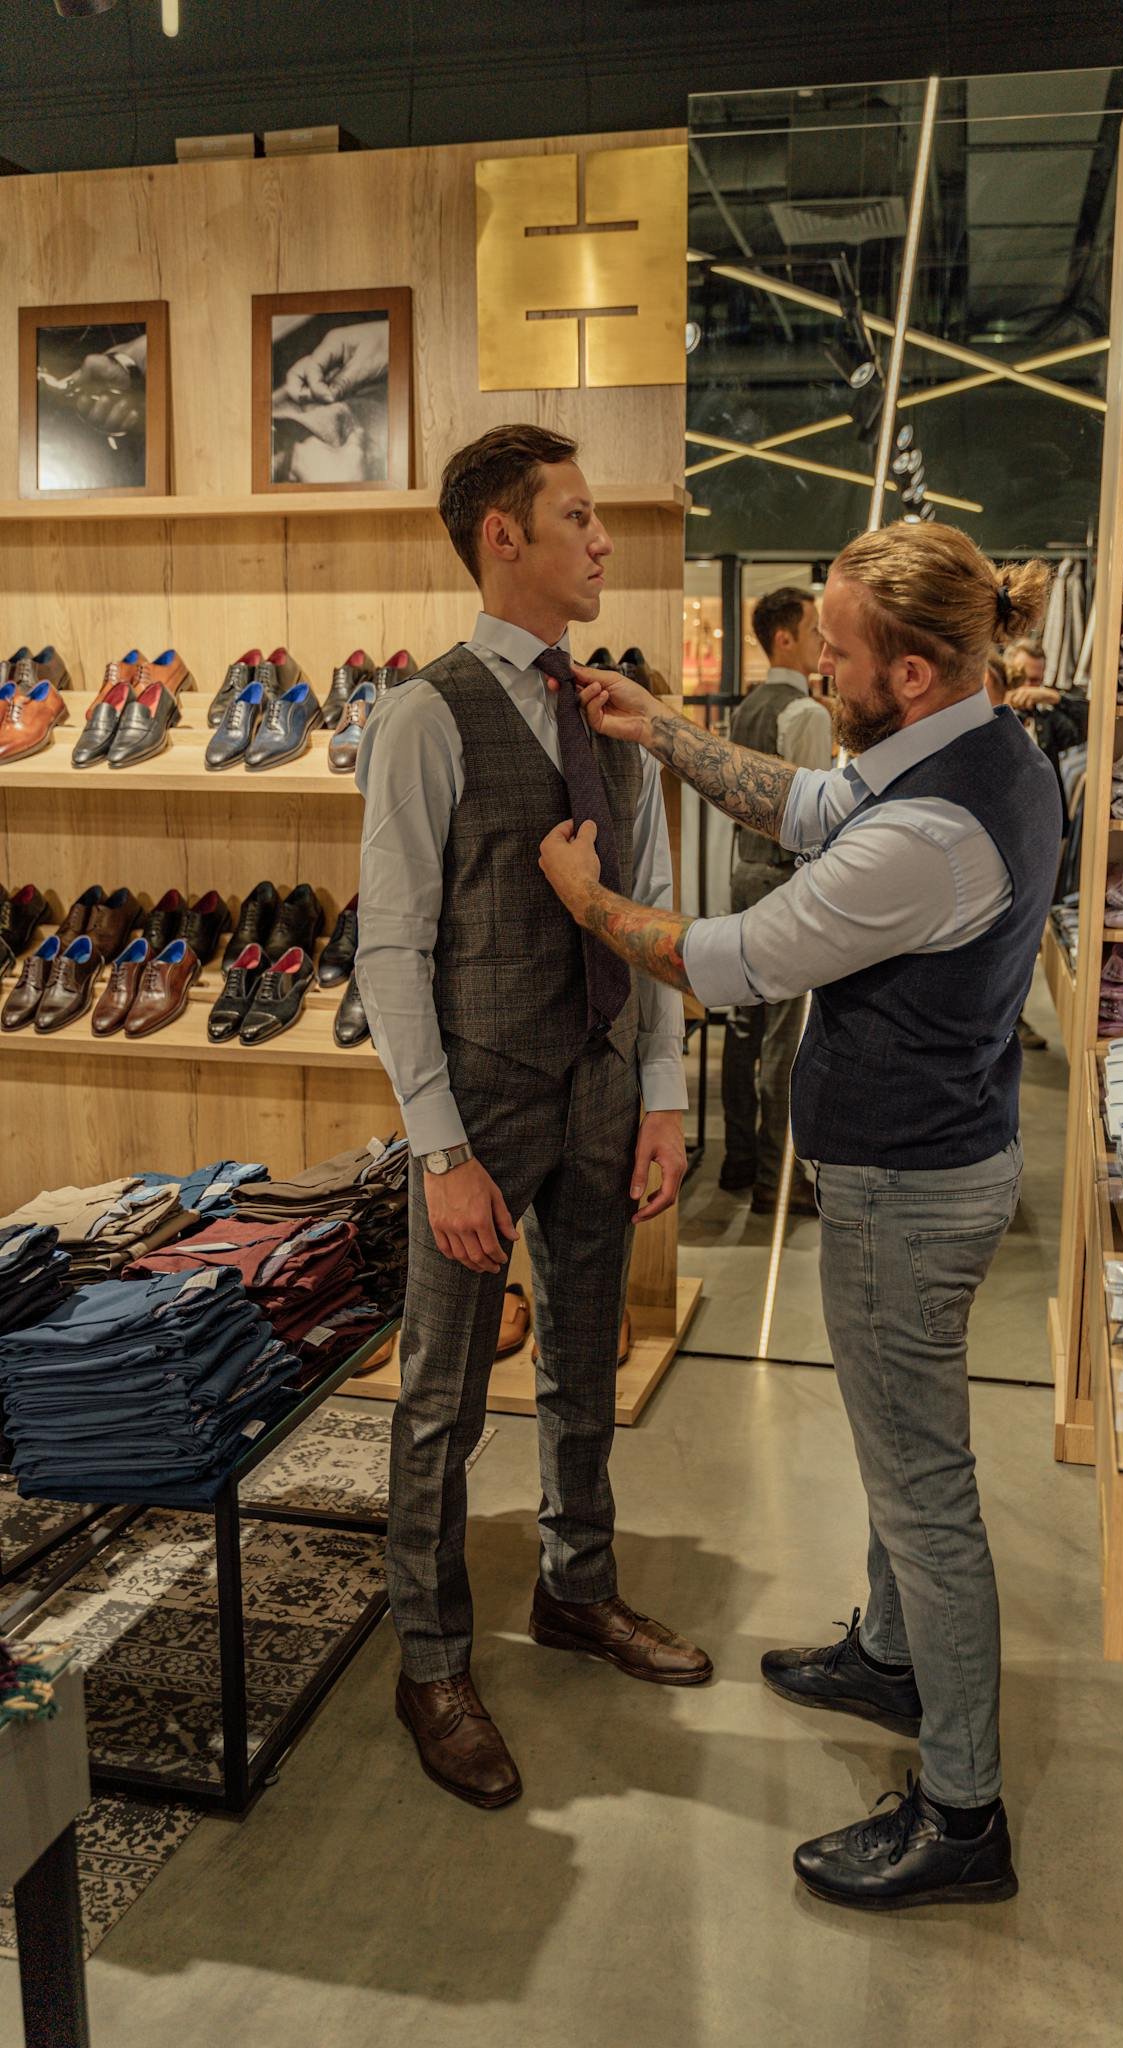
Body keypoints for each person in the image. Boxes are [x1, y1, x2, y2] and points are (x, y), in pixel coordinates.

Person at [536, 521, 1060, 1910]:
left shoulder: (936, 833)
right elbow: (806, 804)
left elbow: (726, 963)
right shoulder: (970, 757)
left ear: (910, 669)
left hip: (909, 1184)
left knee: (922, 1491)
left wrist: (591, 902)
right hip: (930, 1163)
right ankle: (891, 1658)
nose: (812, 665)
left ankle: (961, 1815)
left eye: (834, 652)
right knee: (905, 1453)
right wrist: (657, 730)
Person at [354, 422, 710, 1812]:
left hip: (605, 1091)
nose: (603, 541)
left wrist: (665, 1096)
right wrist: (438, 1146)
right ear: (503, 536)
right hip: (483, 1105)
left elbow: (660, 914)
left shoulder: (614, 712)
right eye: (577, 516)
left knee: (581, 1364)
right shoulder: (424, 714)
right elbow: (391, 949)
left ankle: (576, 1589)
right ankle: (430, 1658)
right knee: (439, 1398)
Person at [719, 586, 832, 1216]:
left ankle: (740, 1160)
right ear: (785, 637)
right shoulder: (807, 715)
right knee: (786, 1033)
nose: (822, 641)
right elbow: (811, 826)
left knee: (744, 1026)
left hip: (743, 874)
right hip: (786, 882)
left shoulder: (746, 709)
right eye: (815, 629)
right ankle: (774, 1176)